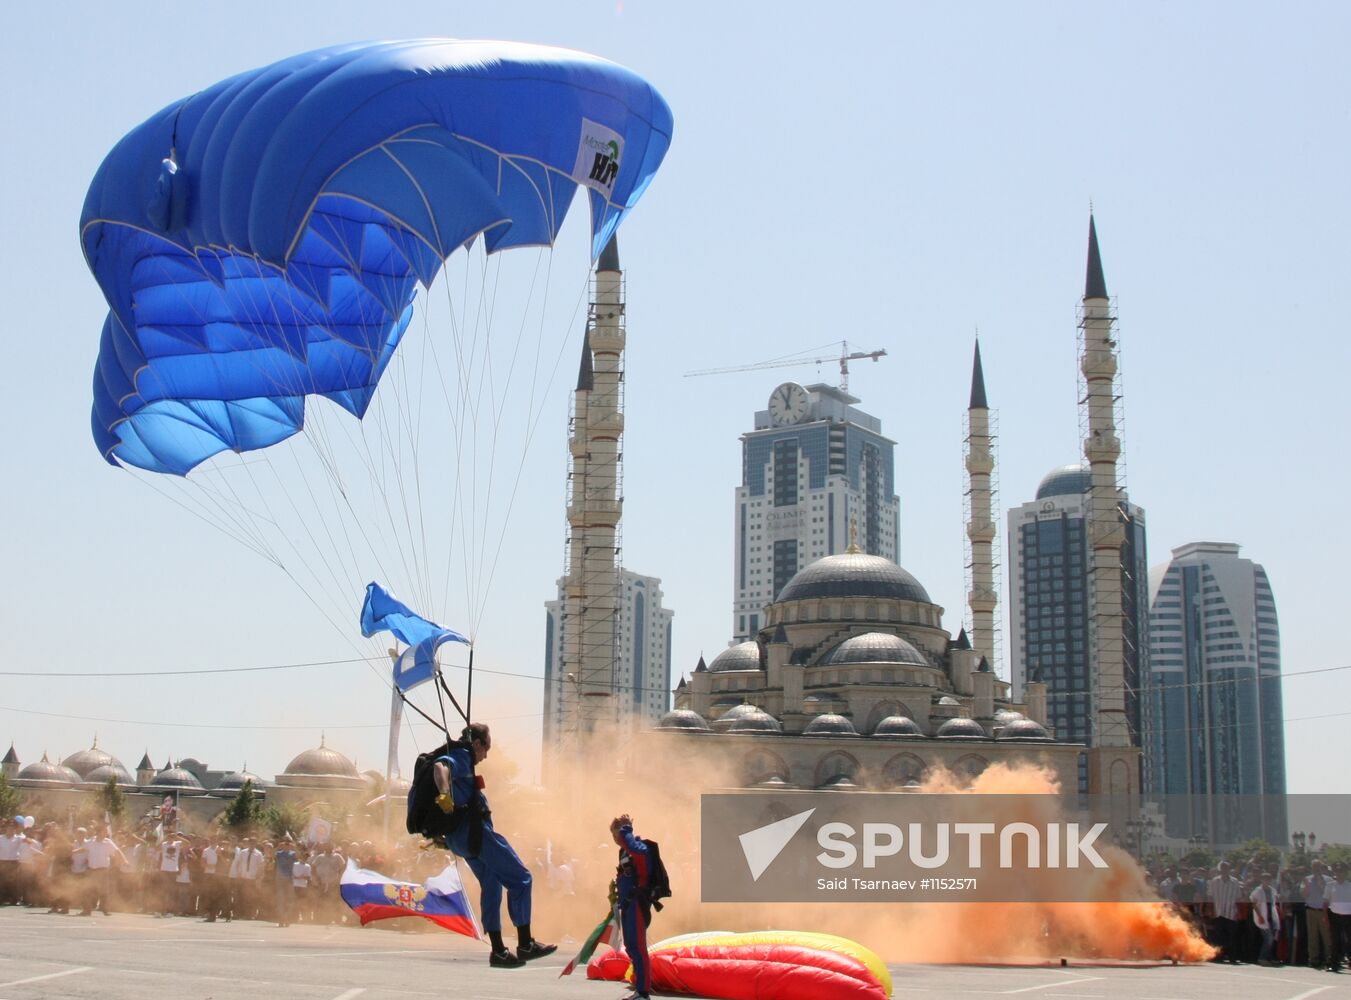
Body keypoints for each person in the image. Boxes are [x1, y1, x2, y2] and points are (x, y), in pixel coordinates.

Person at [431, 722, 555, 967]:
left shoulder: (463, 758)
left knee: (492, 883)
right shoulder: (461, 755)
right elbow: (440, 767)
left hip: (460, 839)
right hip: (474, 834)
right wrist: (444, 793)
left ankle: (498, 951)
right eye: (486, 747)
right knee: (521, 878)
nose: (486, 754)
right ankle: (525, 943)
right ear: (476, 743)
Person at [611, 814, 654, 1000]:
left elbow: (640, 853)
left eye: (616, 834)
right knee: (630, 946)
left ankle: (643, 992)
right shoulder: (624, 852)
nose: (615, 838)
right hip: (627, 905)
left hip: (637, 904)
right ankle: (639, 987)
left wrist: (626, 830)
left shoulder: (640, 847)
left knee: (638, 946)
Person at [1209, 861, 1244, 963]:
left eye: (1226, 868)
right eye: (1223, 868)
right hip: (1218, 912)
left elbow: (1238, 897)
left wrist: (1238, 912)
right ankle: (1219, 957)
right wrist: (1211, 910)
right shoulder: (1214, 881)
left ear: (1229, 869)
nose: (1224, 870)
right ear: (1220, 869)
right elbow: (1210, 896)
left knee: (1231, 937)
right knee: (1218, 936)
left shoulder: (1235, 882)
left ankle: (1232, 957)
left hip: (1230, 913)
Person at [1304, 861, 1334, 969]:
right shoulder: (1307, 879)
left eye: (1318, 867)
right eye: (1314, 867)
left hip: (1323, 911)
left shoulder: (1328, 880)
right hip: (1311, 911)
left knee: (1327, 937)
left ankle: (1329, 959)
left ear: (1321, 868)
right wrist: (1307, 886)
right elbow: (1304, 895)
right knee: (1312, 936)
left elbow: (1329, 895)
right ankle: (1313, 959)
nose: (1316, 869)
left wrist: (1320, 883)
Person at [1250, 871, 1281, 966]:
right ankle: (1262, 957)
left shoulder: (1272, 890)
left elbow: (1275, 902)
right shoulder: (1258, 890)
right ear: (1262, 880)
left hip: (1271, 916)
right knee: (1268, 938)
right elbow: (1254, 904)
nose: (1267, 881)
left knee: (1272, 939)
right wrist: (1259, 916)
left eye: (1268, 879)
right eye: (1265, 879)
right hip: (1263, 917)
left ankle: (1269, 957)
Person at [1329, 864, 1351, 973]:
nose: (1340, 874)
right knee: (1335, 941)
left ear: (1346, 873)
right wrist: (1325, 917)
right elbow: (1325, 902)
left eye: (1342, 871)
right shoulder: (1330, 885)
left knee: (1349, 940)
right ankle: (1334, 964)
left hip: (1348, 916)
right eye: (1338, 871)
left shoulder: (1350, 886)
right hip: (1335, 915)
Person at [274, 837, 298, 927]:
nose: (287, 846)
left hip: (289, 879)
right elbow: (271, 855)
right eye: (285, 844)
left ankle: (287, 919)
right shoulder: (279, 853)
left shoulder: (292, 853)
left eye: (288, 844)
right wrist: (278, 846)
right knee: (280, 900)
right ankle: (281, 919)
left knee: (289, 901)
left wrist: (294, 847)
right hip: (280, 879)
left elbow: (300, 856)